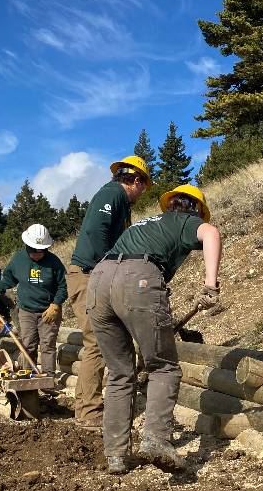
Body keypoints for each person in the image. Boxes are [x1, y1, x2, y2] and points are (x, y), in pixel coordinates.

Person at [88, 184, 221, 475]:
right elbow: (211, 233)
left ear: (170, 204)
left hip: (98, 282)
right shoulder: (187, 221)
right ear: (196, 210)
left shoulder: (145, 225)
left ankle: (116, 455)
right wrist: (210, 284)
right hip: (137, 280)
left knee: (120, 372)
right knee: (163, 367)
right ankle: (156, 440)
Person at [66, 155, 151, 431]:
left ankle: (85, 406)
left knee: (101, 340)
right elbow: (97, 230)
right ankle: (89, 410)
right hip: (89, 275)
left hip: (95, 274)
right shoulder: (112, 193)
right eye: (143, 186)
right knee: (97, 341)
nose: (142, 193)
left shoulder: (120, 203)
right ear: (135, 180)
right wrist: (109, 266)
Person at [0, 224, 67, 375]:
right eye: (34, 250)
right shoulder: (19, 260)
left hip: (49, 311)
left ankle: (48, 378)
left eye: (42, 250)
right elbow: (8, 280)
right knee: (28, 344)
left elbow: (63, 287)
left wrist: (56, 305)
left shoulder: (54, 262)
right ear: (27, 246)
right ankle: (27, 375)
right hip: (26, 311)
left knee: (47, 345)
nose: (38, 254)